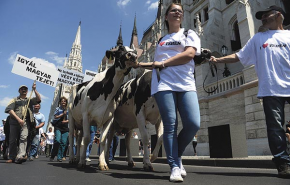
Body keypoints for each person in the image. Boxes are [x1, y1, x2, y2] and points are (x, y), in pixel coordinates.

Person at [210, 5, 290, 177]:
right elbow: (238, 56)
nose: (262, 18)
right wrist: (218, 59)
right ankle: (283, 162)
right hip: (270, 88)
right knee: (275, 128)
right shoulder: (258, 38)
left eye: (266, 15)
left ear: (278, 15)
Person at [135, 2, 201, 182]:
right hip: (163, 85)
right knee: (170, 125)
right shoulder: (160, 40)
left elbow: (189, 54)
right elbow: (155, 64)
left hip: (186, 83)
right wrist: (139, 64)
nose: (178, 13)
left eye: (180, 11)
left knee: (193, 123)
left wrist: (164, 63)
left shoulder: (189, 33)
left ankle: (177, 155)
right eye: (173, 10)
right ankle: (174, 166)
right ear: (165, 16)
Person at [5, 83, 41, 164]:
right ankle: (11, 157)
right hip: (14, 122)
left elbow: (39, 100)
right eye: (22, 89)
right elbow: (9, 110)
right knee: (12, 140)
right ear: (19, 91)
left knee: (23, 138)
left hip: (25, 122)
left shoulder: (30, 100)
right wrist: (18, 119)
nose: (24, 90)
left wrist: (34, 89)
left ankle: (20, 156)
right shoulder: (14, 100)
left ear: (27, 91)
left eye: (25, 89)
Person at [50, 97, 69, 162]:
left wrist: (66, 121)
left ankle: (59, 156)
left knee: (63, 142)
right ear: (60, 102)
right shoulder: (57, 109)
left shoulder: (68, 110)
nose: (63, 102)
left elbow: (70, 119)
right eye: (62, 101)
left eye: (64, 101)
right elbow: (55, 116)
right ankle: (53, 155)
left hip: (65, 127)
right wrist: (62, 115)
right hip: (58, 126)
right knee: (57, 140)